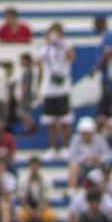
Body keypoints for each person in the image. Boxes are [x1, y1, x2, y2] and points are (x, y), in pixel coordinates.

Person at [38, 22, 76, 159]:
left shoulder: (66, 46)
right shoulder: (45, 48)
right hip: (49, 89)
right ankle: (53, 148)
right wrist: (48, 44)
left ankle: (65, 147)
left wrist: (61, 45)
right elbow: (38, 61)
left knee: (65, 121)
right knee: (51, 122)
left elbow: (72, 58)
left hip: (63, 89)